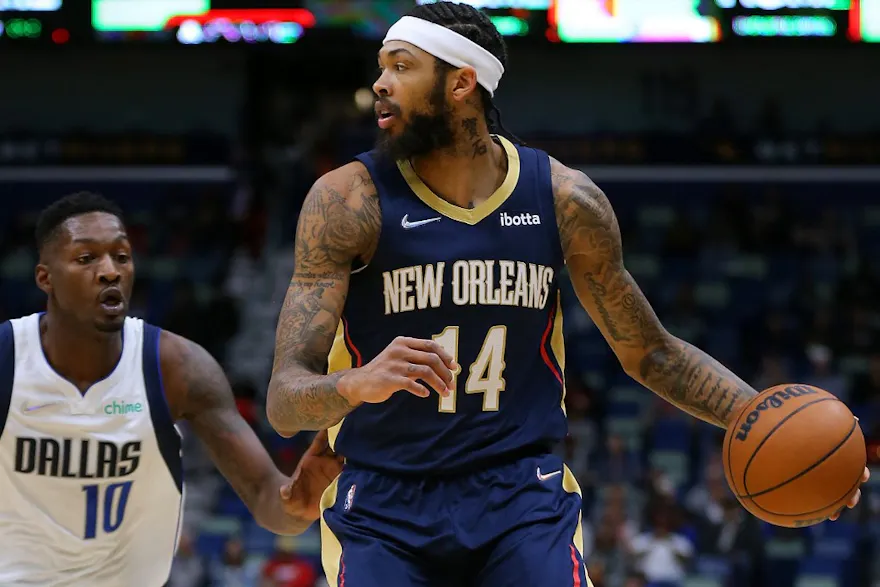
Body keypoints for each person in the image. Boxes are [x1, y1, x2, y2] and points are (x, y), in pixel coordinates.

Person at [265, 2, 869, 585]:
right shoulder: (347, 202)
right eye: (381, 67)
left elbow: (650, 352)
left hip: (520, 496)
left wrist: (765, 421)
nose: (380, 84)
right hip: (382, 501)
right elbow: (284, 401)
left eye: (401, 66)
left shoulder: (564, 199)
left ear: (461, 83)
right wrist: (354, 383)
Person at [0, 192, 341, 586]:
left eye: (121, 256)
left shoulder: (178, 368)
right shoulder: (9, 358)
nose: (110, 270)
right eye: (86, 258)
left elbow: (267, 497)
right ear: (46, 277)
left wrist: (298, 498)